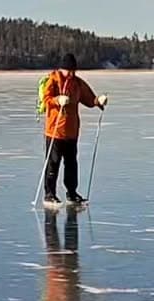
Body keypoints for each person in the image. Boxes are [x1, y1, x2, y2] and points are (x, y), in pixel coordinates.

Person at [39, 53, 108, 205]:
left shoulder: (77, 83)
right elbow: (46, 99)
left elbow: (88, 98)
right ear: (62, 69)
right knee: (53, 164)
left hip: (72, 132)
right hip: (55, 131)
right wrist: (58, 100)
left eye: (73, 70)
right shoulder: (53, 80)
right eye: (69, 70)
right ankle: (49, 194)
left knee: (71, 164)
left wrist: (98, 101)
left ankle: (71, 193)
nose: (71, 73)